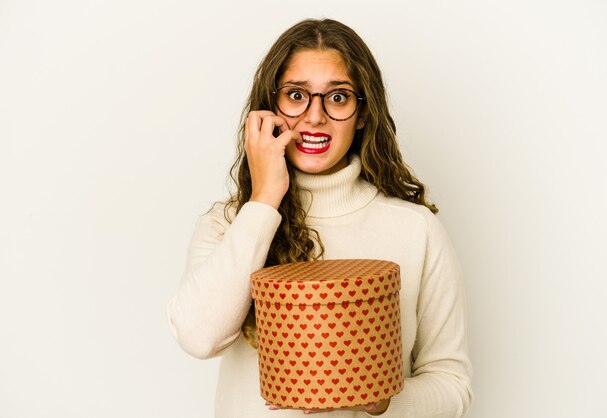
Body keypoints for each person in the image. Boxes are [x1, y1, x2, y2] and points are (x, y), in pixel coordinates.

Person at [167, 18, 472, 417]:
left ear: (363, 113)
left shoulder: (417, 230)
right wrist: (264, 200)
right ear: (270, 108)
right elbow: (198, 337)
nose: (314, 117)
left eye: (338, 97)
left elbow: (453, 387)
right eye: (296, 95)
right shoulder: (230, 223)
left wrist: (380, 401)